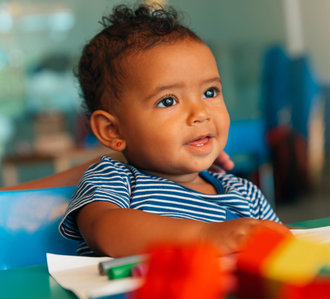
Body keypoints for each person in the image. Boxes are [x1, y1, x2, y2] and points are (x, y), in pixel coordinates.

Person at [59, 3, 289, 258]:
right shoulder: (115, 179)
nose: (201, 113)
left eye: (209, 92)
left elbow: (281, 250)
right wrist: (206, 236)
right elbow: (106, 231)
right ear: (113, 131)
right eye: (168, 101)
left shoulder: (244, 194)